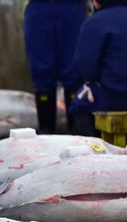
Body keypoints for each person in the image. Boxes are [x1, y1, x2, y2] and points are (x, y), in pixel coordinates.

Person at [71, 0, 127, 146]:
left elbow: (84, 68)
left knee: (79, 106)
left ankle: (98, 156)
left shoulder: (95, 23)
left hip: (117, 100)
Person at [23, 0, 87, 134]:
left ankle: (77, 132)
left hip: (72, 8)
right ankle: (46, 132)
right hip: (39, 8)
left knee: (74, 70)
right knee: (41, 70)